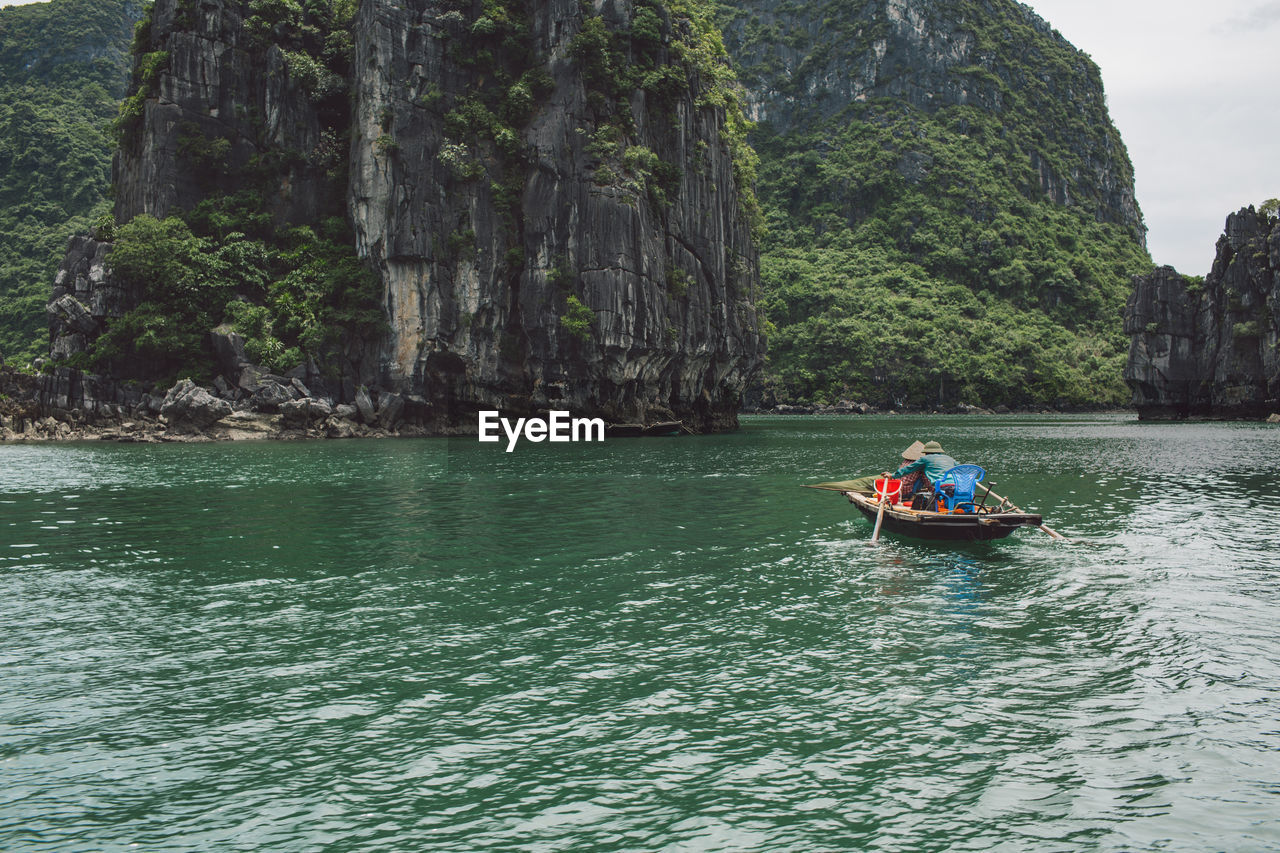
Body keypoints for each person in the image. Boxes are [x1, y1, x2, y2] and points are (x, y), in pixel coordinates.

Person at [886, 440, 959, 508]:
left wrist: (892, 475)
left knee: (924, 475)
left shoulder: (925, 459)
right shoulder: (950, 459)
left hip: (941, 486)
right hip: (957, 485)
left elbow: (908, 469)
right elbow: (961, 469)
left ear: (926, 452)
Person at [844, 441, 926, 499]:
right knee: (923, 476)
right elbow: (927, 480)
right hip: (905, 493)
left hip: (896, 489)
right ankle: (912, 496)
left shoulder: (905, 461)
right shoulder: (920, 464)